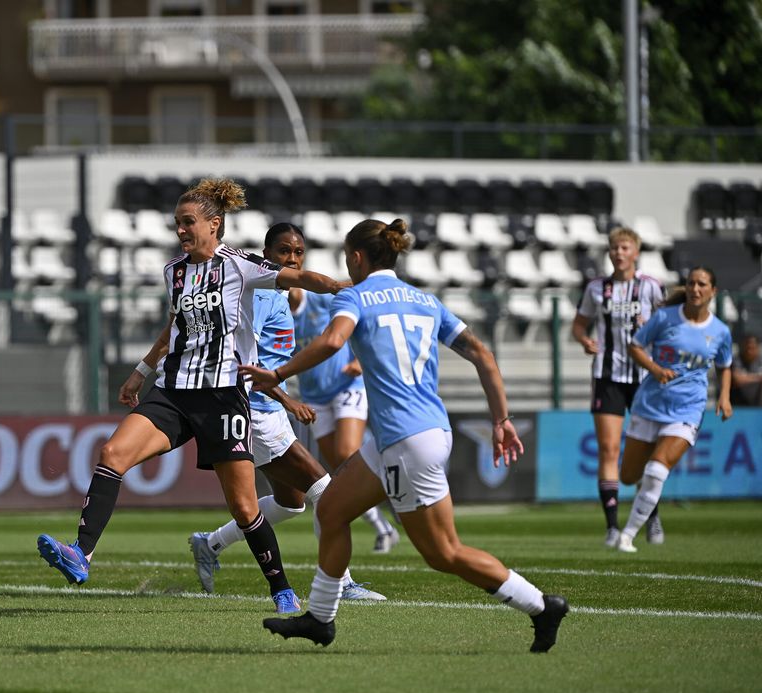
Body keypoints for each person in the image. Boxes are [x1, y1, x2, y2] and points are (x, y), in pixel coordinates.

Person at [240, 218, 569, 651]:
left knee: (443, 553)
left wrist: (278, 373)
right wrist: (501, 419)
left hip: (405, 439)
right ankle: (320, 618)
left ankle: (542, 607)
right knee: (332, 509)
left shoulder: (357, 297)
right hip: (419, 430)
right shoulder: (424, 300)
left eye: (346, 257)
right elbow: (482, 354)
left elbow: (334, 341)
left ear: (356, 258)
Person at [36, 178, 347, 614]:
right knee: (112, 453)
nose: (181, 230)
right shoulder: (174, 271)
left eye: (188, 223)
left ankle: (280, 588)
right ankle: (80, 554)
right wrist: (141, 372)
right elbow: (174, 327)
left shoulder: (240, 266)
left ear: (214, 224)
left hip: (222, 397)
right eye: (177, 223)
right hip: (174, 391)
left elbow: (298, 277)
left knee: (242, 506)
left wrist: (341, 288)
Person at [189, 222, 387, 602]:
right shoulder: (261, 296)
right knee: (325, 490)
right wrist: (287, 399)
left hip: (266, 408)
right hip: (253, 409)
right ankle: (341, 584)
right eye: (284, 252)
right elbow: (242, 361)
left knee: (290, 503)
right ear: (267, 256)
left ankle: (210, 544)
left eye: (298, 252)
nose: (292, 259)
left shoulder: (281, 296)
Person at [289, 226, 401, 554]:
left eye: (297, 256)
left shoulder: (323, 296)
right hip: (313, 394)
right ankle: (383, 526)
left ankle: (398, 487)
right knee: (339, 470)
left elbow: (360, 313)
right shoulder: (275, 308)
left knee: (348, 452)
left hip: (346, 384)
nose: (291, 264)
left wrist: (362, 361)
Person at [616, 267, 733, 553]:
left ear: (712, 291)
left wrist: (724, 396)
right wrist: (655, 369)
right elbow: (635, 345)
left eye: (702, 284)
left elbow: (725, 364)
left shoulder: (720, 331)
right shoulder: (665, 318)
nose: (695, 288)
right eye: (691, 283)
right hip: (650, 404)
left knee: (657, 469)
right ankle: (645, 500)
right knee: (629, 476)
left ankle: (627, 536)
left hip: (688, 408)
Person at [571, 227, 665, 547]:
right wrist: (585, 341)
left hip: (645, 378)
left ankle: (649, 518)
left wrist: (651, 329)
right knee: (610, 449)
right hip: (607, 375)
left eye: (624, 247)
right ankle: (612, 527)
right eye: (614, 247)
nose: (618, 252)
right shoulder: (597, 288)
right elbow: (579, 324)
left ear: (636, 252)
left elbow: (668, 326)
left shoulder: (650, 287)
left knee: (645, 450)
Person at [730, 334, 762, 406]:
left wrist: (747, 377)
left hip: (757, 403)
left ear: (757, 348)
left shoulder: (760, 360)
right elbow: (737, 379)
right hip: (737, 403)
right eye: (747, 348)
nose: (749, 351)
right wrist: (758, 377)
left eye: (752, 348)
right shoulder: (736, 360)